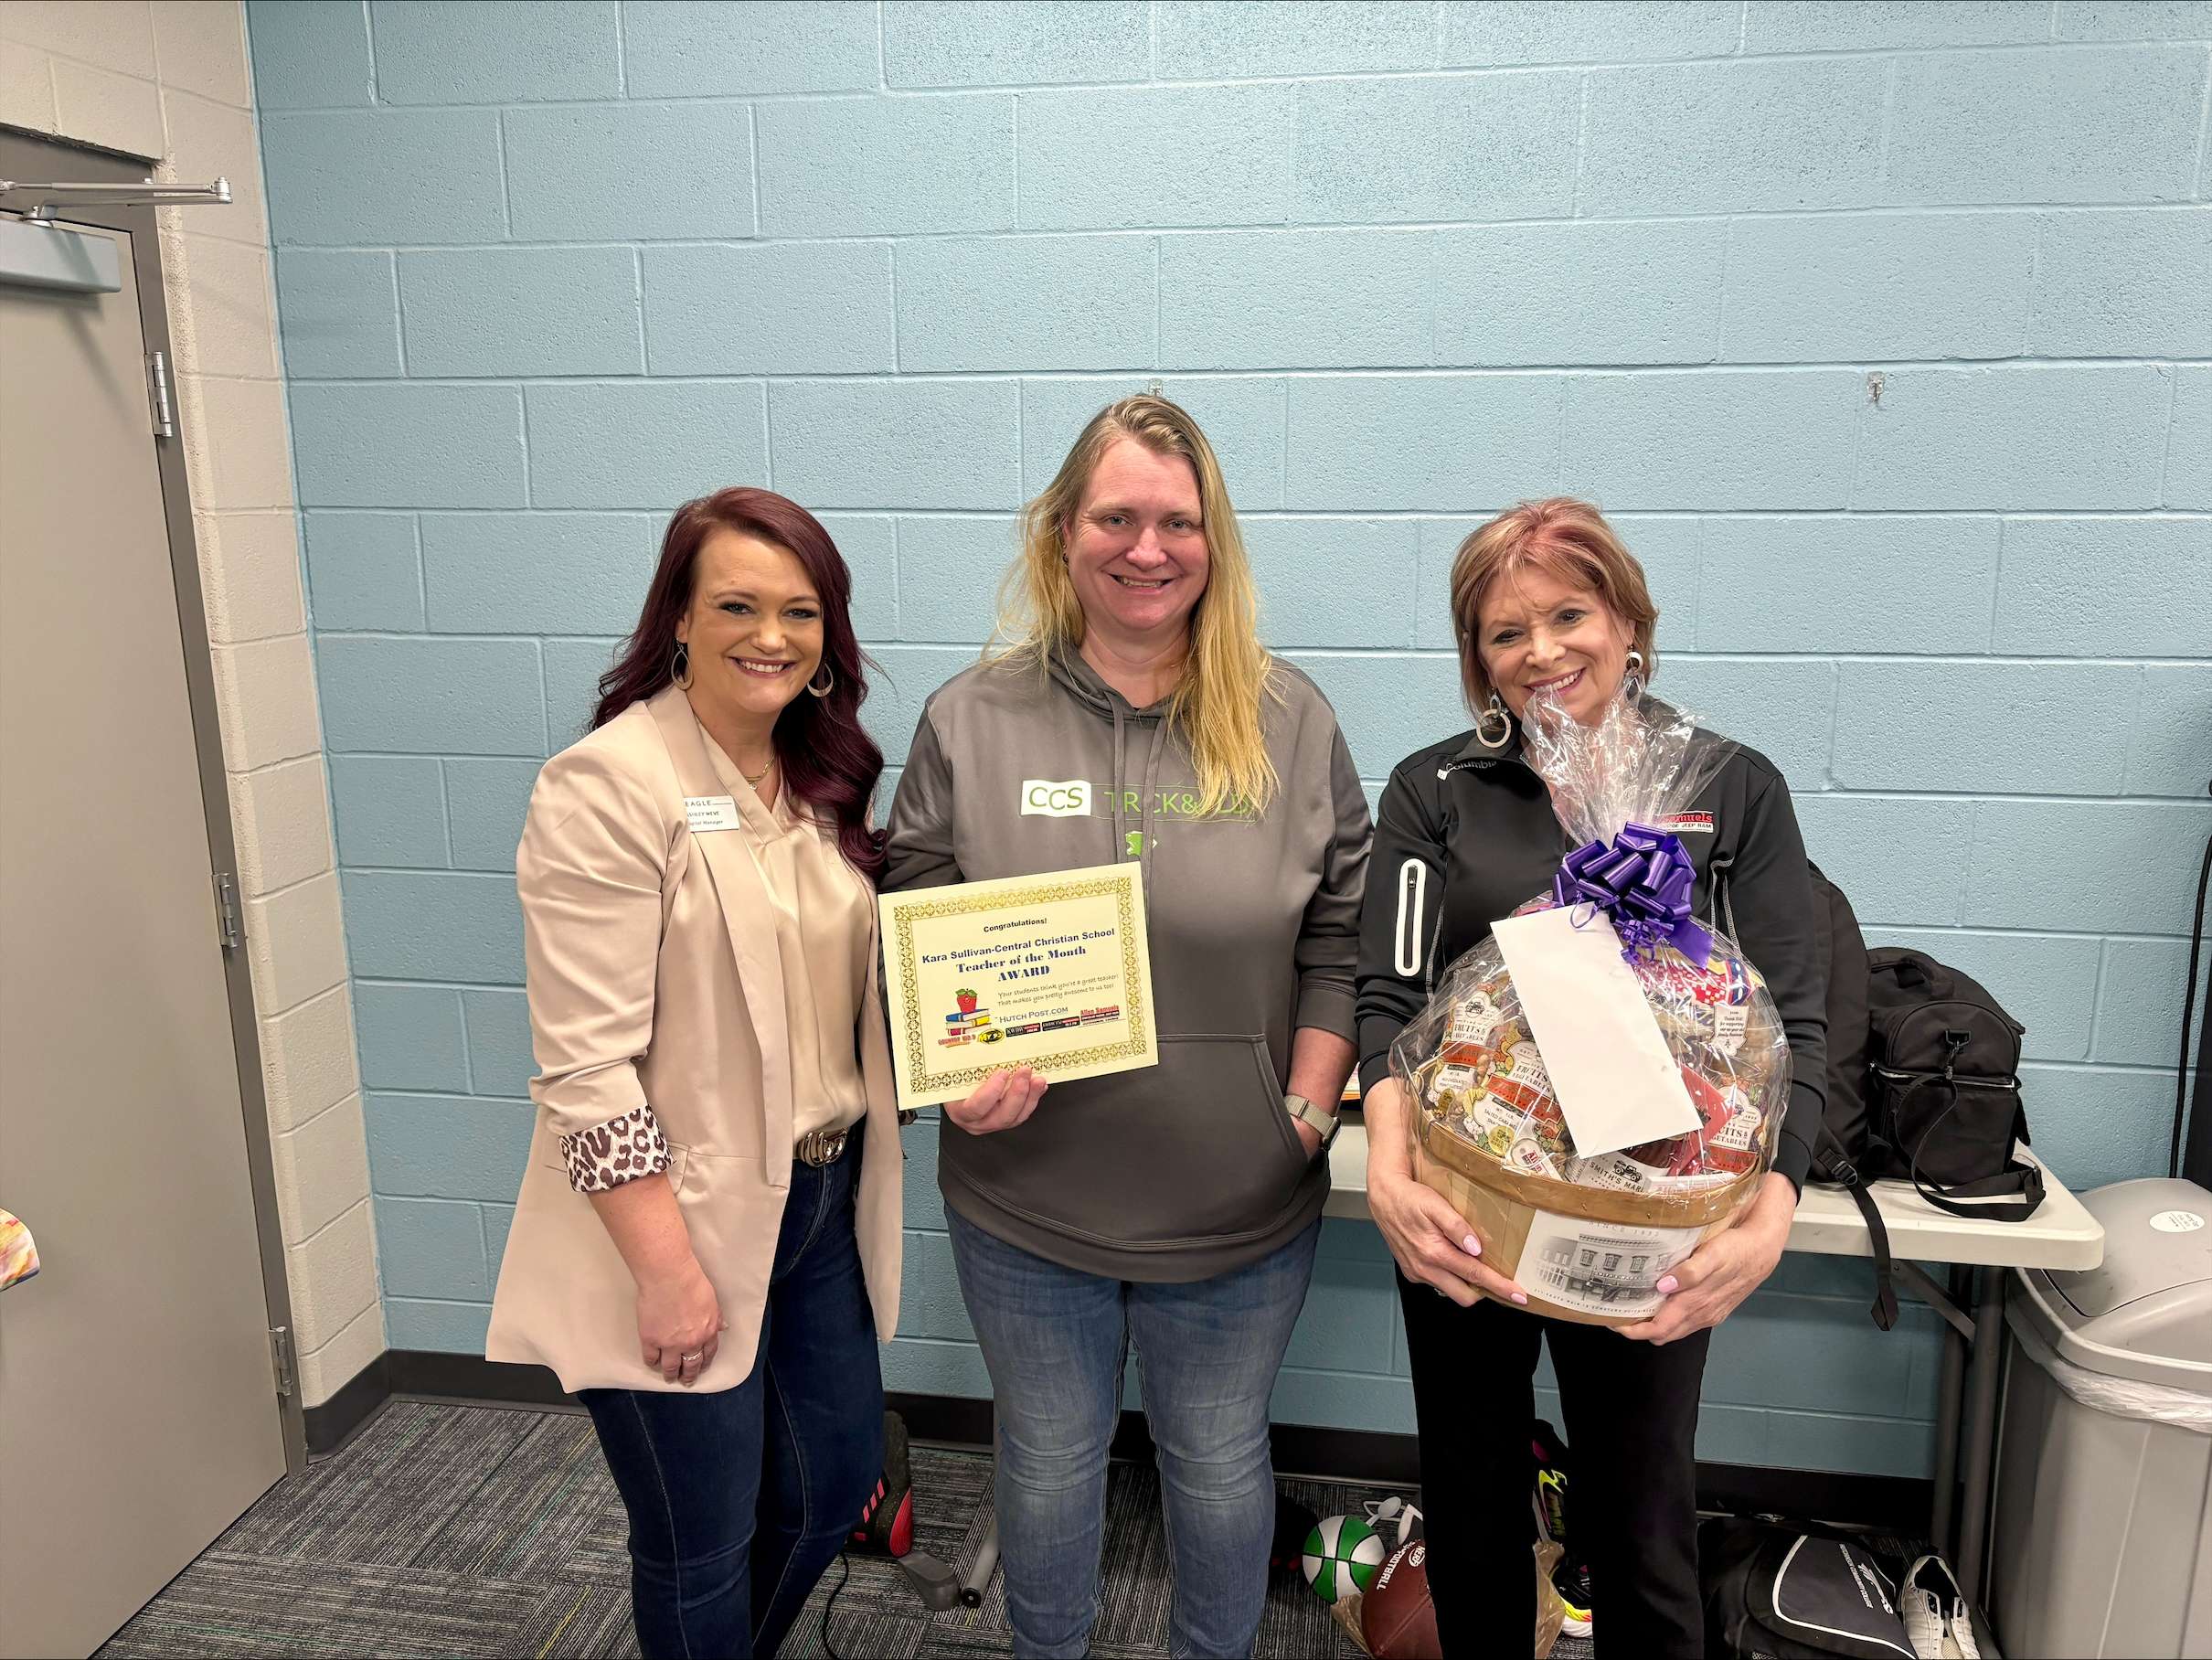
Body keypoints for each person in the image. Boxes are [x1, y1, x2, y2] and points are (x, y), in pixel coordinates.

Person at [884, 394, 1371, 1659]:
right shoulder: (968, 721)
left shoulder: (1291, 723)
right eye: (1115, 517)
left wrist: (1307, 1110)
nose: (1145, 548)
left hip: (1239, 1198)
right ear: (1061, 533)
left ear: (1215, 545)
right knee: (1047, 1460)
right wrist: (960, 1064)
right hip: (1024, 1196)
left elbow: (1343, 938)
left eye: (1177, 521)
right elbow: (916, 909)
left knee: (1215, 1460)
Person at [1354, 497, 1827, 1658]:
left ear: (1627, 620)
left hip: (1656, 1213)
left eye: (1569, 613)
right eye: (1505, 633)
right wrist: (1384, 1168)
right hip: (1465, 1201)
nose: (1542, 652)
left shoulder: (1729, 787)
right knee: (1467, 1488)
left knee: (1640, 1509)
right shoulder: (1437, 788)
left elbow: (1797, 1025)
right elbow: (1389, 998)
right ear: (1475, 658)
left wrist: (1771, 1209)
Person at [486, 487, 904, 1660]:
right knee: (699, 1538)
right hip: (677, 1216)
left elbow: (846, 999)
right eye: (735, 603)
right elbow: (583, 1070)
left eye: (799, 611)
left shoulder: (817, 782)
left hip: (818, 1199)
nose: (768, 635)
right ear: (676, 615)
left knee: (833, 1487)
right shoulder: (608, 785)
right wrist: (664, 1271)